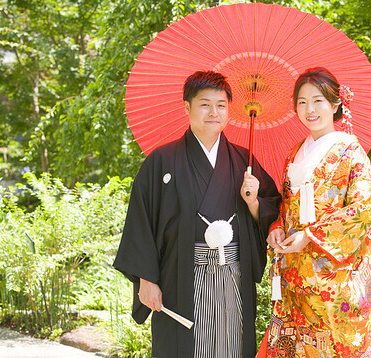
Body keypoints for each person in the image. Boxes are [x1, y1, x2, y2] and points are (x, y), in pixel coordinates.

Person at [113, 70, 281, 358]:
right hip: (180, 277)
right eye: (204, 104)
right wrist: (146, 280)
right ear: (187, 108)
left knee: (232, 346)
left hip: (233, 274)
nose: (213, 112)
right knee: (182, 347)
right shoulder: (162, 160)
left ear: (229, 110)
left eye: (221, 105)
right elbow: (141, 222)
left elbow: (274, 212)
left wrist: (254, 202)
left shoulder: (245, 161)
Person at [257, 67, 371, 357]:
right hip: (295, 275)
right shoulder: (293, 153)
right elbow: (287, 206)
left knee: (338, 346)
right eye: (302, 102)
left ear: (335, 104)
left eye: (318, 100)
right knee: (300, 346)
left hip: (335, 276)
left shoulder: (350, 150)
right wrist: (277, 229)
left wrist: (310, 236)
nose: (309, 109)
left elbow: (363, 208)